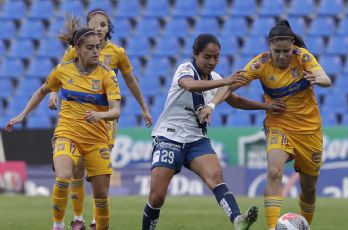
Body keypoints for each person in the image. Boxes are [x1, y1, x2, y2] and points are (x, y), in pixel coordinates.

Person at [142, 33, 285, 230]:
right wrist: (225, 82)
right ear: (195, 54)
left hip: (196, 140)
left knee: (216, 177)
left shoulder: (216, 78)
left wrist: (266, 106)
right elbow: (190, 85)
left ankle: (238, 220)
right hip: (169, 136)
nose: (212, 61)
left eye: (216, 57)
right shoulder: (185, 69)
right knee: (157, 197)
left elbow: (236, 101)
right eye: (207, 57)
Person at [199, 20, 332, 229]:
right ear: (269, 46)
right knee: (274, 172)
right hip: (279, 125)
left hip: (309, 131)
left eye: (286, 51)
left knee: (309, 189)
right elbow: (232, 85)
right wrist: (212, 106)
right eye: (276, 51)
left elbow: (326, 78)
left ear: (293, 46)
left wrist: (318, 78)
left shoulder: (303, 57)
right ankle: (272, 227)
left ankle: (305, 226)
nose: (281, 56)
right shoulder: (260, 64)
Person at [5, 16, 121, 230]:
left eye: (98, 47)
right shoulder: (63, 70)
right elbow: (42, 91)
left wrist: (101, 115)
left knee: (101, 196)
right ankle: (58, 225)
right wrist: (22, 115)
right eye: (90, 48)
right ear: (77, 49)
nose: (96, 52)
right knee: (63, 176)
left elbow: (116, 110)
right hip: (68, 134)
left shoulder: (107, 75)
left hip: (97, 140)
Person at [48, 9, 153, 230]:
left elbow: (131, 82)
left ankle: (98, 221)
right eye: (93, 24)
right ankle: (78, 219)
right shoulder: (74, 52)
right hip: (79, 120)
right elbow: (59, 78)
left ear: (109, 28)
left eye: (103, 25)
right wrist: (53, 93)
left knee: (96, 173)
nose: (98, 28)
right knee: (75, 169)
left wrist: (144, 108)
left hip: (105, 121)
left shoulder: (117, 53)